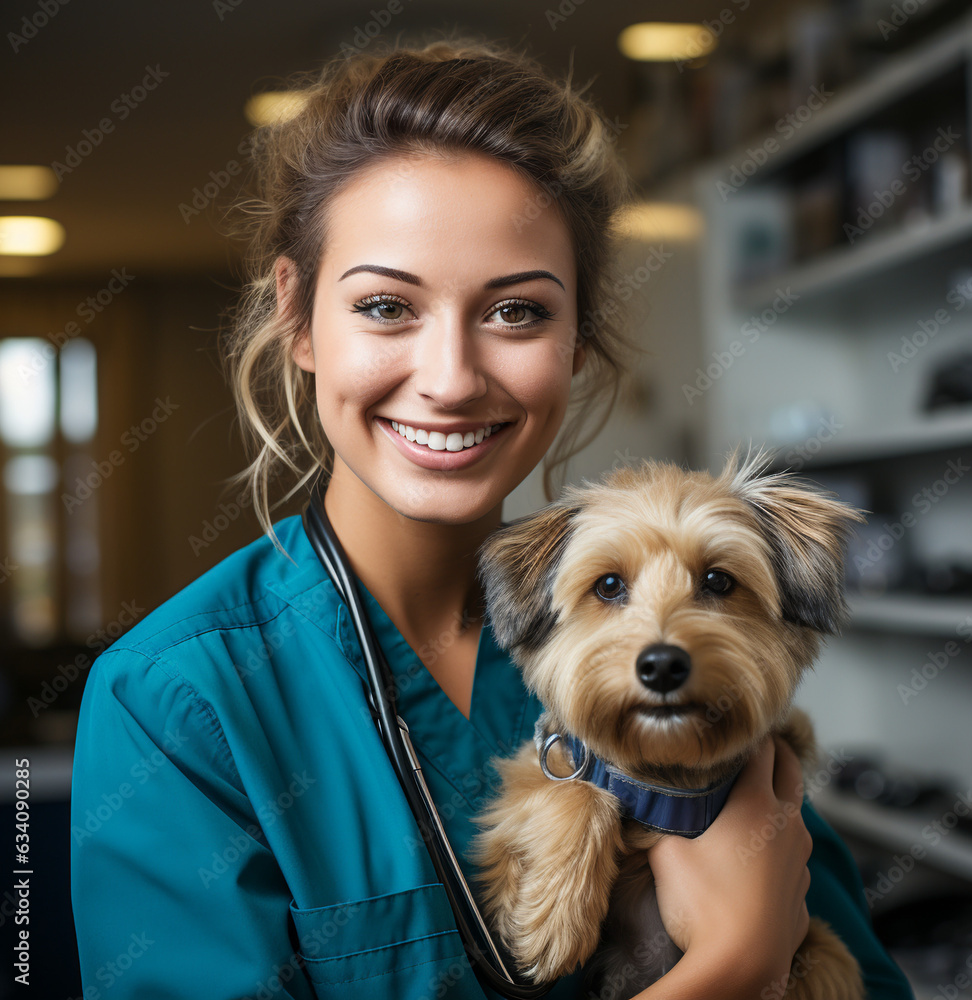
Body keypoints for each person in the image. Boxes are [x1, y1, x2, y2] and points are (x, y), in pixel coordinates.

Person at [69, 35, 914, 1000]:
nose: (450, 379)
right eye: (386, 306)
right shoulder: (176, 702)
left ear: (578, 338)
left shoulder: (686, 661)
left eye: (516, 313)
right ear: (298, 318)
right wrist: (736, 960)